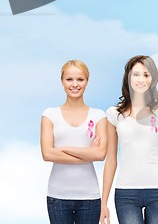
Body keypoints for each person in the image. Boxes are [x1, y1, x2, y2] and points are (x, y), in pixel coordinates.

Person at [99, 55, 158, 224]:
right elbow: (111, 160)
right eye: (136, 74)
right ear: (128, 77)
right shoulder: (114, 114)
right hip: (126, 193)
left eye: (146, 74)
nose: (141, 79)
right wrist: (103, 203)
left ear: (153, 79)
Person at [40, 60, 108, 224]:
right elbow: (47, 154)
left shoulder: (98, 116)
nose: (75, 84)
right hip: (57, 197)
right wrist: (87, 154)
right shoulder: (50, 114)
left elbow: (100, 154)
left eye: (80, 79)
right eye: (69, 79)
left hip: (90, 197)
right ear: (62, 81)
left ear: (87, 81)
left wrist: (62, 149)